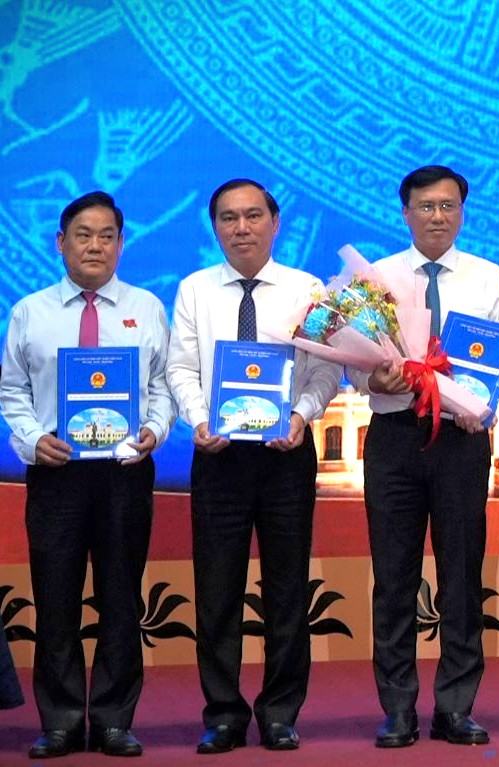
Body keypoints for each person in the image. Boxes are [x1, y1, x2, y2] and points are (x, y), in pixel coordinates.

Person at [167, 179, 341, 753]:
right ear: (214, 226)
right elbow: (181, 367)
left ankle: (280, 712)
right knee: (217, 588)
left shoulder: (306, 289)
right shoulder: (194, 289)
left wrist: (302, 414)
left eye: (252, 216)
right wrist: (198, 418)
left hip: (285, 453)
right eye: (228, 218)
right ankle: (222, 713)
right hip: (218, 456)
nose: (241, 228)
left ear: (275, 221)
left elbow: (326, 368)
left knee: (287, 587)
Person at [0, 191, 173, 758]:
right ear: (61, 242)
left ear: (122, 243)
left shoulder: (146, 307)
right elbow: (12, 390)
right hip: (57, 473)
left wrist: (153, 431)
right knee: (55, 599)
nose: (95, 245)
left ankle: (115, 719)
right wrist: (30, 440)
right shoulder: (30, 310)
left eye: (106, 235)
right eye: (83, 234)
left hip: (124, 473)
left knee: (122, 597)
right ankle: (62, 721)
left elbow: (160, 388)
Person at [350, 165, 499, 748]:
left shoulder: (488, 276)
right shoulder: (377, 278)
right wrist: (377, 379)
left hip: (461, 441)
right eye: (425, 207)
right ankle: (397, 709)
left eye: (447, 206)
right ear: (406, 213)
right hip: (394, 439)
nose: (437, 217)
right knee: (393, 579)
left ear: (462, 212)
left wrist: (484, 404)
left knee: (461, 576)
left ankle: (456, 707)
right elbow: (350, 359)